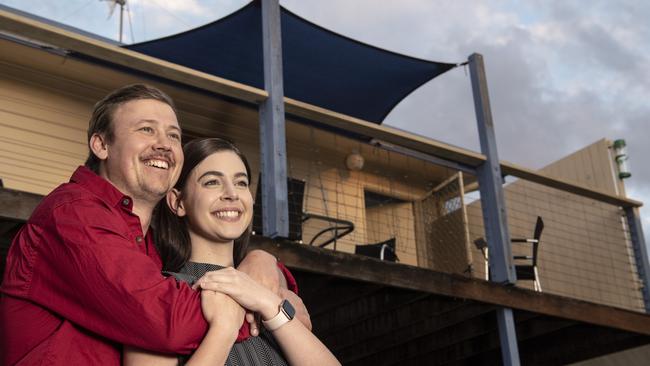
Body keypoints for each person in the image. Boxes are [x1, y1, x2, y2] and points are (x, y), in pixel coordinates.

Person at [0, 84, 305, 365]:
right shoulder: (73, 214)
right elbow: (165, 320)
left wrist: (262, 261)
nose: (164, 145)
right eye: (147, 129)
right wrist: (260, 301)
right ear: (101, 145)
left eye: (173, 135)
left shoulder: (148, 247)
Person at [123, 138, 340, 365]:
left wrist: (267, 303)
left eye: (241, 183)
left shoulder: (268, 291)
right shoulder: (160, 295)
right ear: (178, 202)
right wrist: (223, 329)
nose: (231, 194)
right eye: (212, 182)